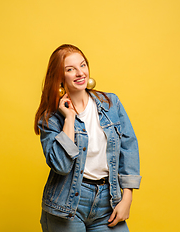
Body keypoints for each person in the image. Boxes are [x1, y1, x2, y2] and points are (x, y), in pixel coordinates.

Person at [34, 44, 141, 232]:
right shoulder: (50, 118)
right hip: (66, 204)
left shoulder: (110, 103)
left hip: (108, 200)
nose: (80, 73)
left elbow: (128, 147)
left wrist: (127, 198)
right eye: (70, 69)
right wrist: (69, 118)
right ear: (59, 77)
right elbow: (61, 165)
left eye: (82, 65)